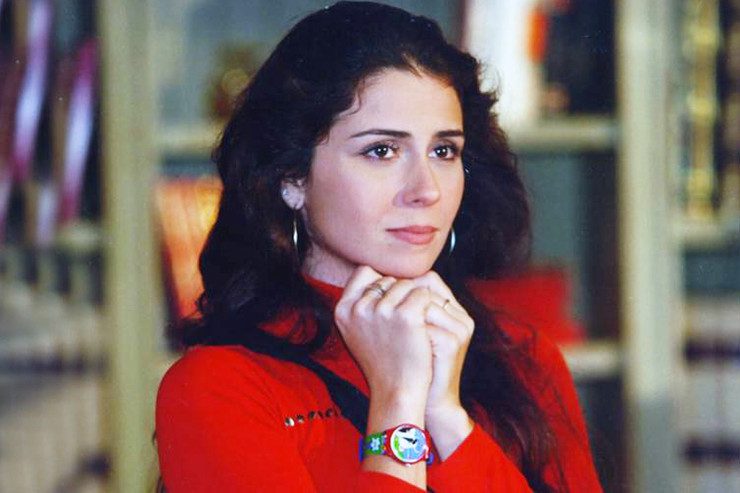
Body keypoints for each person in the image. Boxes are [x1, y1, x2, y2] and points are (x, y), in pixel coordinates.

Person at [155, 2, 603, 491]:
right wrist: (398, 403)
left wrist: (446, 418)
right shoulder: (219, 387)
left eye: (444, 151)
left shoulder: (526, 361)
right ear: (291, 178)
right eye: (382, 151)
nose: (426, 189)